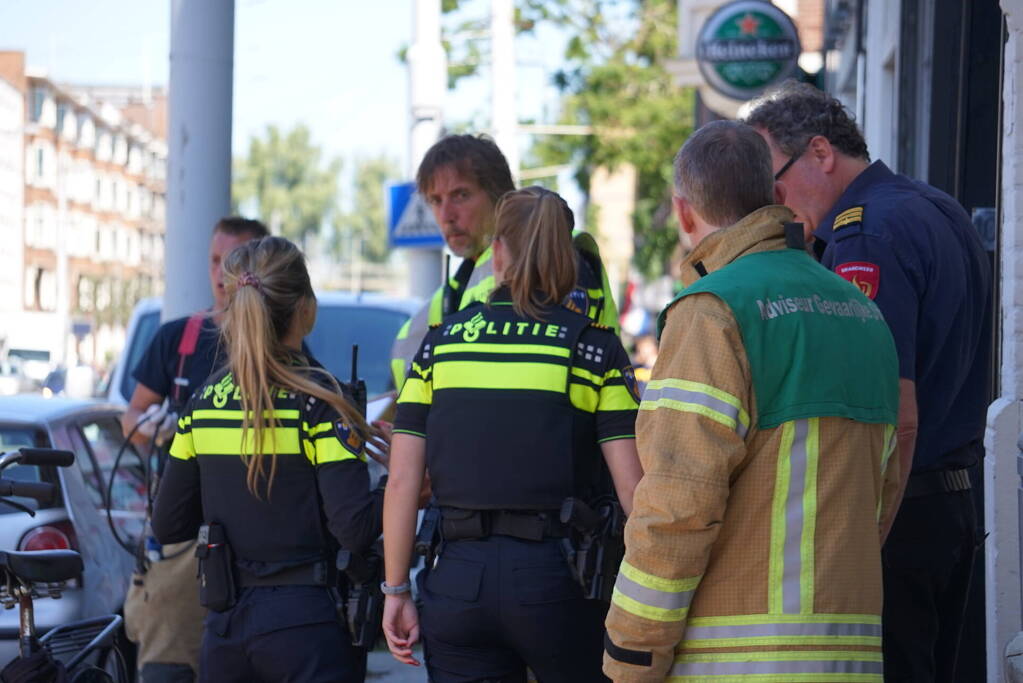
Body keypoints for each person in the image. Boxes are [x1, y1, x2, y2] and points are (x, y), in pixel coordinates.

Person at [603, 121, 902, 681]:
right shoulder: (863, 312)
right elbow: (884, 486)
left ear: (684, 212)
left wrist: (632, 653)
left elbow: (676, 505)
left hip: (736, 664)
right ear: (779, 196)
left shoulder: (711, 312)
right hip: (850, 656)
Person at [746, 82, 992, 681]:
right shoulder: (935, 205)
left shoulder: (861, 235)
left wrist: (866, 531)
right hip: (954, 499)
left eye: (775, 183)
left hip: (901, 507)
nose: (773, 206)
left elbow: (890, 410)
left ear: (821, 153)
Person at [382, 186, 644, 682]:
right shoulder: (592, 348)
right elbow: (634, 491)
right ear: (566, 260)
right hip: (559, 582)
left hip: (456, 579)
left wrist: (395, 591)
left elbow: (401, 483)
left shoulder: (440, 345)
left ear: (497, 253)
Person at [151, 235, 383, 683]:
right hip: (306, 627)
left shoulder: (201, 404)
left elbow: (168, 525)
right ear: (306, 309)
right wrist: (401, 487)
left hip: (224, 628)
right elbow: (353, 528)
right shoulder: (321, 401)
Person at [120, 216, 268, 683]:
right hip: (182, 533)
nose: (222, 271)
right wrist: (151, 425)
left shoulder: (275, 347)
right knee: (168, 666)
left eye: (235, 260)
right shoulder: (177, 339)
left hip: (258, 533)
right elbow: (131, 418)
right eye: (214, 260)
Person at [390, 134, 620, 392]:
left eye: (461, 195)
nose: (446, 216)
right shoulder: (452, 293)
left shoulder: (553, 255)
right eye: (435, 200)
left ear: (500, 198)